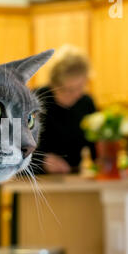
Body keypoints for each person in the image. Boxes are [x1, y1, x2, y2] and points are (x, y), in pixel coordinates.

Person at [35, 45, 96, 174]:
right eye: (69, 90)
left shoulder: (86, 103)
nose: (76, 94)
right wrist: (42, 160)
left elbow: (95, 146)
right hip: (35, 181)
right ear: (54, 84)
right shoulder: (35, 100)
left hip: (72, 179)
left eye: (80, 87)